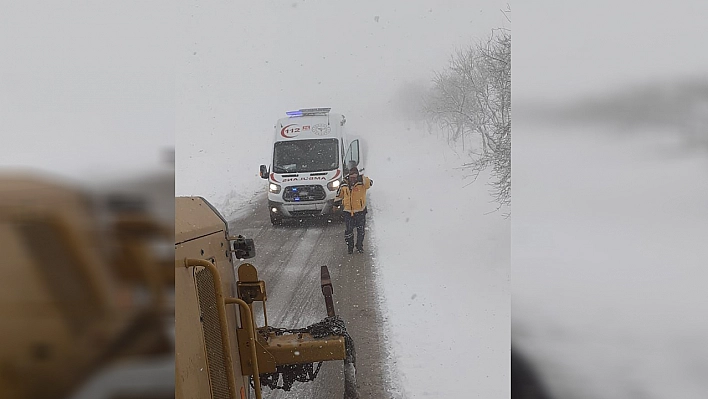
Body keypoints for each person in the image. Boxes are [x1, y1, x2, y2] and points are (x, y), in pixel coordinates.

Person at [336, 166, 373, 254]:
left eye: (355, 177)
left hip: (360, 211)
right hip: (348, 212)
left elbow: (370, 183)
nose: (353, 179)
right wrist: (335, 204)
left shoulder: (362, 183)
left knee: (361, 231)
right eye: (352, 177)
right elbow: (339, 195)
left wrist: (362, 178)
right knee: (348, 230)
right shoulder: (344, 184)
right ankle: (350, 247)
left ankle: (359, 246)